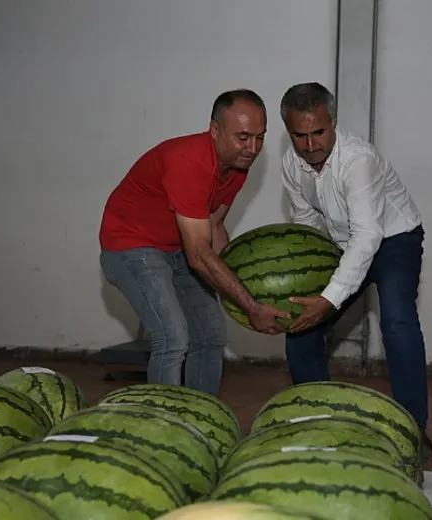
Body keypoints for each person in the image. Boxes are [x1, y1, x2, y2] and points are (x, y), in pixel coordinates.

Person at [99, 89, 290, 396]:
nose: (253, 148)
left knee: (211, 334)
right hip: (130, 247)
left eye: (260, 137)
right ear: (215, 130)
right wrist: (250, 306)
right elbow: (200, 254)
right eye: (243, 137)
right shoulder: (189, 163)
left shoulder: (237, 165)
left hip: (176, 249)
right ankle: (165, 424)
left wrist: (250, 288)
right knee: (172, 337)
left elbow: (214, 227)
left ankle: (201, 415)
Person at [277, 81, 432, 458]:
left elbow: (367, 237)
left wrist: (329, 299)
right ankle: (319, 423)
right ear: (288, 132)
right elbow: (307, 223)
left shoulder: (357, 160)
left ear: (333, 123)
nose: (311, 144)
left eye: (319, 132)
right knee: (300, 330)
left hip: (394, 240)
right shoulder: (292, 164)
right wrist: (306, 287)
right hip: (343, 244)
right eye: (300, 135)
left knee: (396, 320)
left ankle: (414, 429)